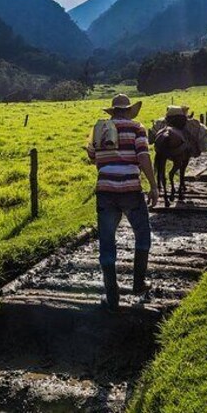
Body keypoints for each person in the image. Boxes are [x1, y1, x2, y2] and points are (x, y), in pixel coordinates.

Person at [86, 94, 159, 311]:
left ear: (112, 111)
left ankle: (112, 296)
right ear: (128, 110)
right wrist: (153, 185)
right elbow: (144, 156)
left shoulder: (98, 129)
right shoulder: (137, 128)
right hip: (130, 189)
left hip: (105, 190)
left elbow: (91, 156)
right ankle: (138, 283)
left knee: (107, 241)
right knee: (142, 233)